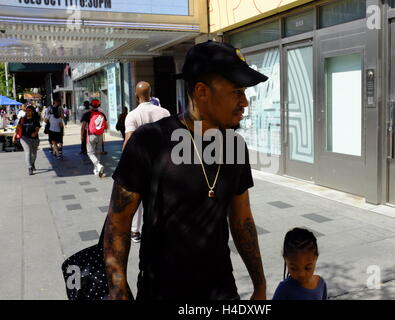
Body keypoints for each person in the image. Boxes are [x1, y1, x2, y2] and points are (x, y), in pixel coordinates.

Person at [103, 41, 268, 300]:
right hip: (162, 291)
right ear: (202, 91)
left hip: (221, 290)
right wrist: (118, 288)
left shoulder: (235, 145)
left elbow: (242, 219)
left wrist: (260, 286)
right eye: (237, 91)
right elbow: (118, 223)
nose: (244, 102)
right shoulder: (150, 141)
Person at [123, 81, 170, 243]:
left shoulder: (133, 115)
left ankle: (135, 231)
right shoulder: (164, 112)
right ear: (150, 93)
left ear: (136, 96)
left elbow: (128, 142)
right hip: (163, 163)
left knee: (137, 198)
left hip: (141, 165)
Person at [272, 228, 328, 300]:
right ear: (285, 259)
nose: (301, 274)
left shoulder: (321, 284)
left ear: (316, 258)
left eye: (308, 268)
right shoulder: (284, 289)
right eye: (294, 268)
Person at [81, 99, 108, 177]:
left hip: (91, 135)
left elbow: (83, 127)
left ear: (90, 105)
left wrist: (82, 135)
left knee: (90, 153)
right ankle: (96, 170)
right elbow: (106, 126)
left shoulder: (88, 114)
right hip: (100, 135)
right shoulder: (102, 114)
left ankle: (98, 166)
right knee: (97, 152)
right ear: (98, 105)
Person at [13, 105, 41, 175]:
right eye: (26, 111)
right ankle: (30, 167)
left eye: (29, 111)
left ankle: (32, 163)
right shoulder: (22, 119)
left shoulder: (35, 119)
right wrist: (14, 136)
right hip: (24, 138)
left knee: (34, 153)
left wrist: (35, 132)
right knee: (27, 151)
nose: (28, 112)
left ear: (33, 112)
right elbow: (18, 128)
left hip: (34, 138)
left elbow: (37, 127)